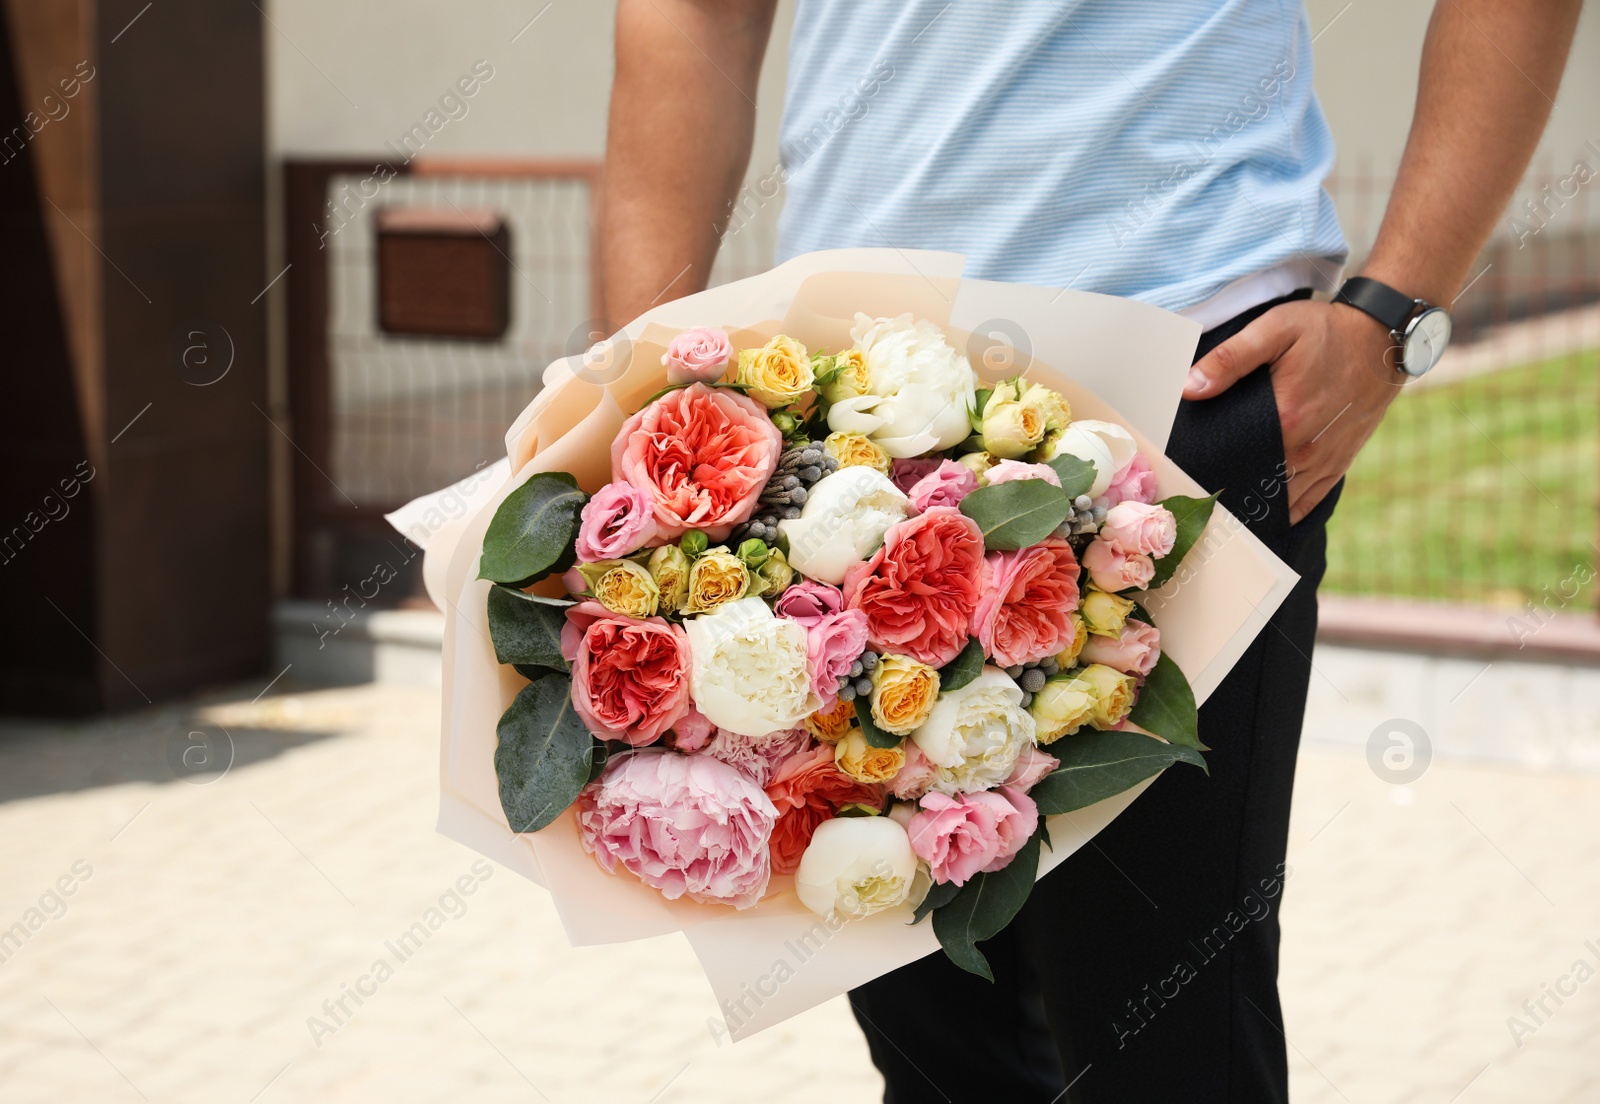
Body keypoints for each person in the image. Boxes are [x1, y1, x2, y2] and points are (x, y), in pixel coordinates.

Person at [599, 2, 1581, 1099]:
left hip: (1176, 388)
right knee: (938, 1054)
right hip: (838, 422)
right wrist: (648, 412)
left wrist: (1395, 316)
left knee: (1166, 1056)